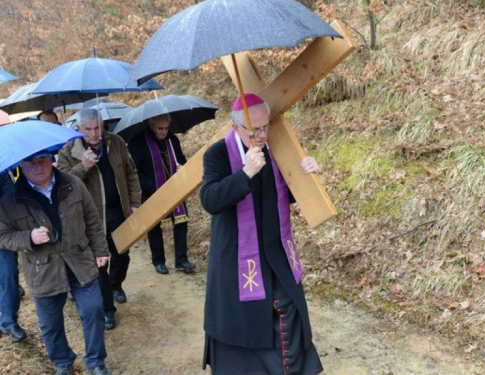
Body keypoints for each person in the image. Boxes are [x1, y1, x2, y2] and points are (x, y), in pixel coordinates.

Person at [200, 94, 323, 375]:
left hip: (274, 251)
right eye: (254, 131)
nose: (262, 135)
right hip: (236, 259)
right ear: (236, 128)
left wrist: (307, 173)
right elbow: (210, 200)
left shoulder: (276, 150)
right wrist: (245, 174)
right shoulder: (217, 154)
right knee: (245, 321)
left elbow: (287, 194)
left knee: (288, 307)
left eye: (265, 127)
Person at [0, 150, 113, 375]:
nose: (38, 166)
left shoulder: (73, 184)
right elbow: (3, 236)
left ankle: (96, 361)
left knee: (93, 310)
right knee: (50, 324)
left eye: (42, 160)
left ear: (51, 159)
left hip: (79, 261)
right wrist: (28, 238)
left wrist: (101, 249)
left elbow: (91, 218)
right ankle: (62, 362)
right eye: (30, 162)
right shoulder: (10, 200)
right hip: (43, 270)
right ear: (20, 165)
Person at [58, 109, 141, 320]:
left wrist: (134, 203)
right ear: (78, 128)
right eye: (88, 130)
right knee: (100, 262)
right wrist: (82, 167)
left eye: (97, 128)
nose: (94, 134)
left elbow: (131, 173)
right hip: (91, 219)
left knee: (122, 254)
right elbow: (62, 186)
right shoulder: (69, 151)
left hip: (118, 212)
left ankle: (115, 285)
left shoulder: (116, 142)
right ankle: (108, 310)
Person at [128, 114, 195, 275]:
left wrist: (182, 168)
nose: (164, 132)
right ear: (151, 126)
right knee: (155, 227)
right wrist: (153, 187)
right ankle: (158, 261)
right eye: (160, 129)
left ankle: (181, 259)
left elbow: (181, 159)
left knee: (181, 223)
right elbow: (135, 172)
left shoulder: (172, 140)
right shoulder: (137, 143)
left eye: (166, 128)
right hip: (151, 191)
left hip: (175, 188)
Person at [0, 169, 27, 342]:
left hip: (2, 233)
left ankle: (9, 321)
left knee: (8, 274)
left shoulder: (2, 169)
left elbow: (10, 195)